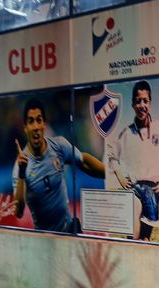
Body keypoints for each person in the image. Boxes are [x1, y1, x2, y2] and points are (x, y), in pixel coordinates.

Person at [13, 98, 105, 233]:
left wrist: (111, 173)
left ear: (44, 124)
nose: (36, 127)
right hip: (44, 239)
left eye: (39, 120)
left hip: (68, 232)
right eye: (31, 121)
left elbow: (84, 161)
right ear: (25, 127)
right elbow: (19, 211)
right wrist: (22, 173)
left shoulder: (59, 145)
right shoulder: (20, 166)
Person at [105, 80, 159, 241]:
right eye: (138, 101)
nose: (141, 105)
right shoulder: (127, 133)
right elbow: (111, 154)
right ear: (132, 105)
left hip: (152, 191)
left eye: (145, 101)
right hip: (134, 188)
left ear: (150, 103)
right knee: (132, 236)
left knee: (145, 240)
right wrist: (119, 174)